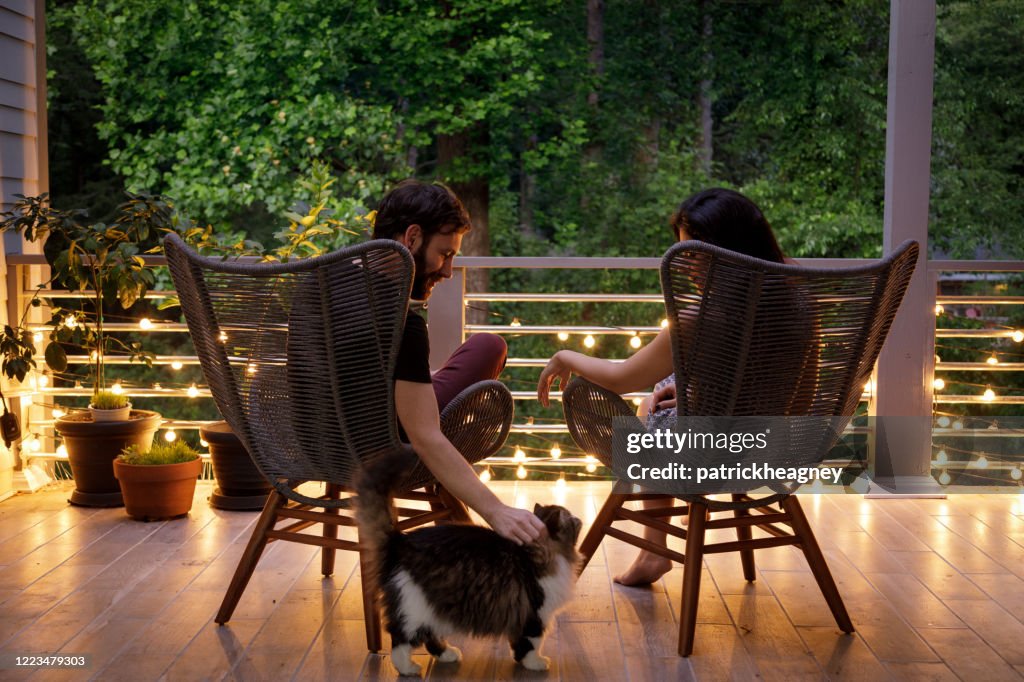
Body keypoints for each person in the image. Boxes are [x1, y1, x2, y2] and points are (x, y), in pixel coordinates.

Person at [536, 188, 787, 584]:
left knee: (648, 413)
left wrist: (566, 356)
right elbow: (771, 380)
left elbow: (623, 376)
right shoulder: (798, 303)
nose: (686, 264)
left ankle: (654, 550)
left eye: (695, 252)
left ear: (728, 250)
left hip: (713, 456)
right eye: (682, 251)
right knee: (666, 395)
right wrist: (698, 396)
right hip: (780, 445)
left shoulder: (701, 316)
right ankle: (653, 548)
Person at [373, 179, 545, 545]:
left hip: (321, 439)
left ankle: (426, 382)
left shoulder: (315, 291)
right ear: (412, 237)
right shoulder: (404, 325)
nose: (448, 271)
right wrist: (496, 510)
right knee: (490, 345)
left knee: (477, 349)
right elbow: (426, 436)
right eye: (445, 254)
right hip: (390, 442)